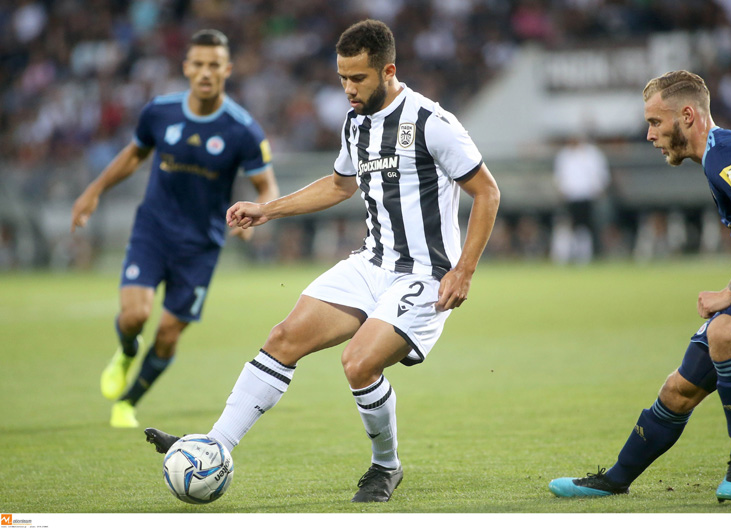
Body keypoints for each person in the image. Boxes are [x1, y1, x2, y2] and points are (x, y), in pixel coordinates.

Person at [144, 19, 500, 503]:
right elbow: (339, 185)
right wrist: (267, 209)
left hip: (424, 274)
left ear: (388, 71)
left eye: (358, 78)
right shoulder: (356, 122)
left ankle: (386, 466)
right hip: (372, 263)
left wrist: (464, 270)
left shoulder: (431, 123)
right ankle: (215, 445)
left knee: (358, 363)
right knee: (282, 338)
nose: (348, 89)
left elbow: (487, 192)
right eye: (342, 78)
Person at [549, 70, 731, 503]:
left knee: (725, 333)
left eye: (654, 122)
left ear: (687, 115)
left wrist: (729, 292)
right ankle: (614, 480)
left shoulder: (723, 155)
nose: (649, 135)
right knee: (677, 390)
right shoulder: (721, 152)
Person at [70, 29, 279, 429]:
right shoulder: (160, 112)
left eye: (214, 65)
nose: (205, 72)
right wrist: (94, 191)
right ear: (186, 67)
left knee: (168, 333)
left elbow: (265, 184)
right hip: (153, 230)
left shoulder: (243, 129)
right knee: (134, 316)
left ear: (227, 70)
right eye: (198, 64)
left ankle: (127, 403)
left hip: (201, 245)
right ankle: (127, 350)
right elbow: (134, 155)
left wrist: (260, 213)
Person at [550, 134, 610, 264]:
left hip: (587, 197)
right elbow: (559, 177)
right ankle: (562, 257)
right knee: (565, 227)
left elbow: (601, 175)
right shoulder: (564, 155)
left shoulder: (592, 154)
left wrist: (597, 190)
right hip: (569, 198)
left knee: (584, 228)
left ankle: (583, 257)